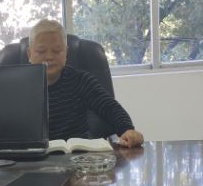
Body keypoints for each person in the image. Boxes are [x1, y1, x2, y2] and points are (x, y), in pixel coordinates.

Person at [27, 19, 144, 147]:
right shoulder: (18, 87)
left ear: (66, 53)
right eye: (41, 51)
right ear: (29, 54)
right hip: (31, 155)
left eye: (56, 51)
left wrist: (127, 129)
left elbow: (109, 107)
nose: (49, 57)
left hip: (76, 154)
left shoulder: (80, 80)